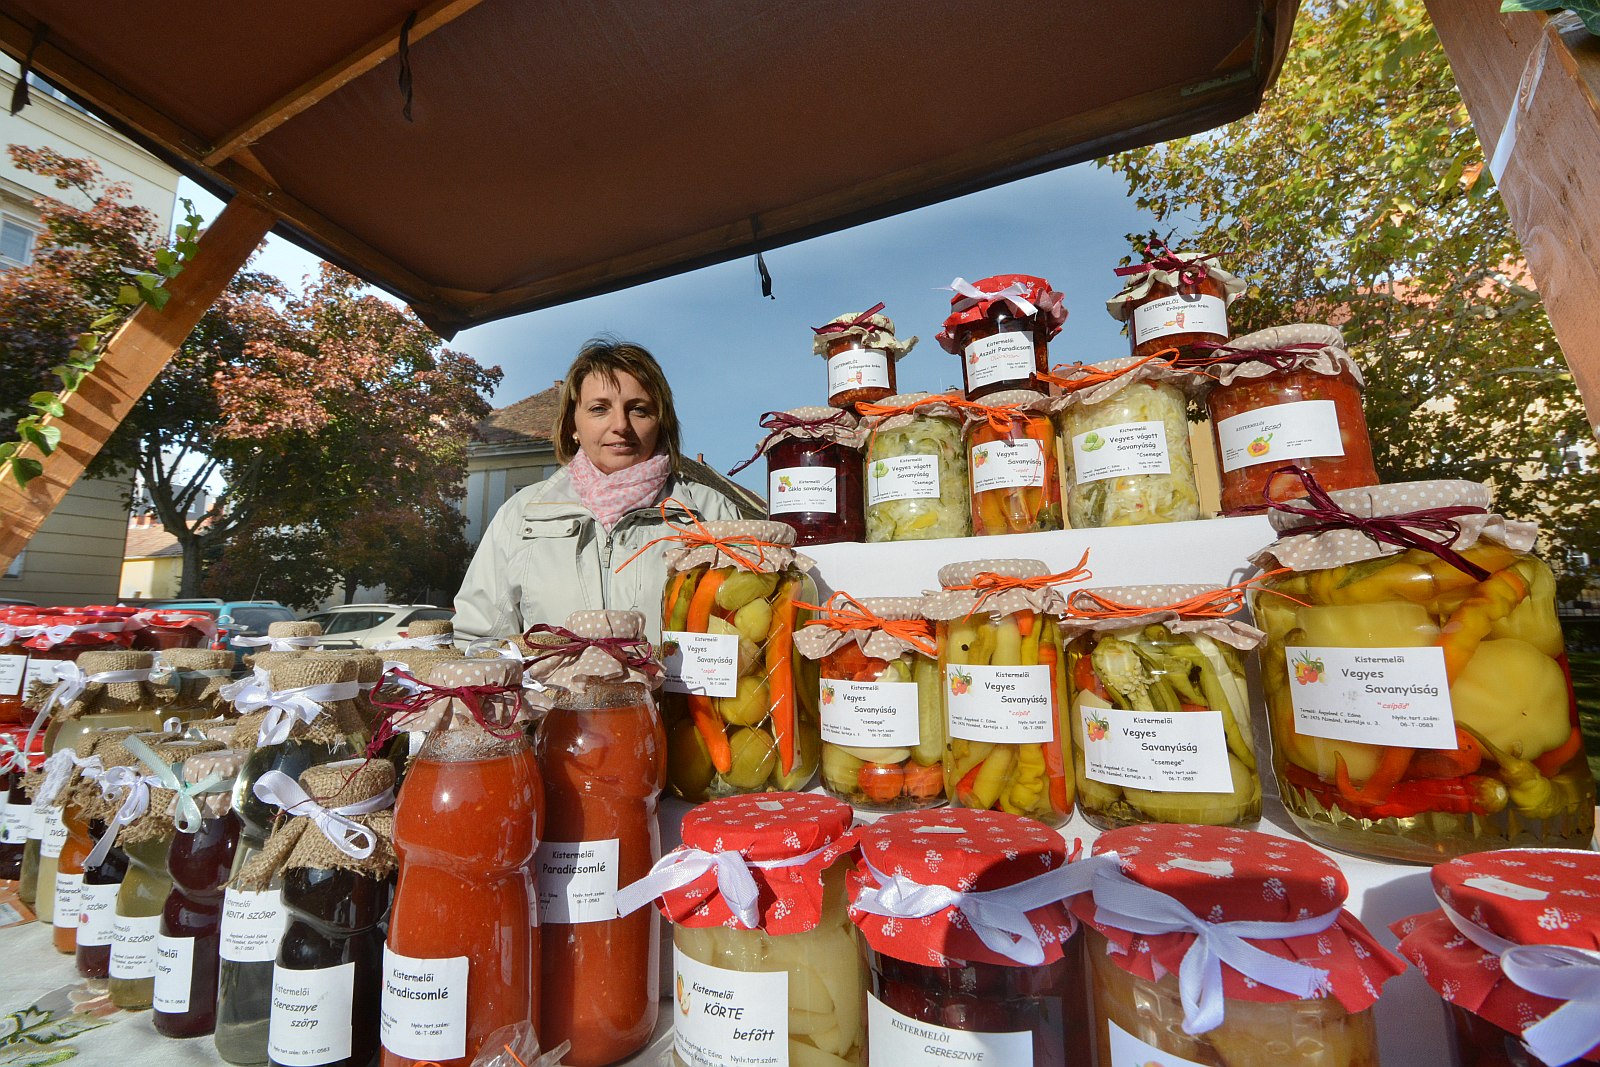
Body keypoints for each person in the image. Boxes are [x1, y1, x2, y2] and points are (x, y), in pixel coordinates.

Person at [454, 338, 750, 642]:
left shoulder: (712, 514)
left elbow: (749, 634)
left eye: (639, 409)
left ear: (661, 423)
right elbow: (479, 641)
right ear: (573, 425)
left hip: (676, 692)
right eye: (599, 409)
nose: (620, 424)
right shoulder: (521, 516)